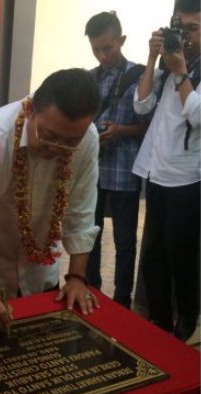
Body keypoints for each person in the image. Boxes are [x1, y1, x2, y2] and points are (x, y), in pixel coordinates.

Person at [0, 69, 102, 332]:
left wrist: (77, 277)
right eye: (49, 135)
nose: (57, 147)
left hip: (41, 273)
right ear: (31, 109)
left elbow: (81, 211)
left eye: (70, 141)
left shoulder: (87, 140)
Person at [132, 0, 201, 341]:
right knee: (155, 255)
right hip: (156, 171)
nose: (185, 36)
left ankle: (187, 318)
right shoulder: (168, 62)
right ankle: (158, 320)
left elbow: (200, 117)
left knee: (183, 256)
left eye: (193, 29)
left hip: (188, 177)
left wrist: (180, 71)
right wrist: (152, 58)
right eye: (180, 27)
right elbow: (141, 103)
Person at [83, 12, 150, 309]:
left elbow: (149, 125)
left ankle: (122, 299)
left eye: (108, 48)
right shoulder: (90, 78)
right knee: (89, 234)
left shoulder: (140, 76)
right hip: (93, 171)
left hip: (124, 172)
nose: (102, 55)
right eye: (96, 49)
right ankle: (89, 288)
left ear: (121, 41)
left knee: (124, 241)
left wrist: (120, 131)